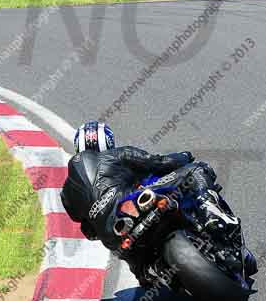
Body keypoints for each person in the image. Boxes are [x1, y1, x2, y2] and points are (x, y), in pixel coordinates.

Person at [61, 121, 230, 288]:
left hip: (117, 239)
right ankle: (210, 214)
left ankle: (151, 270)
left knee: (140, 271)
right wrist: (184, 156)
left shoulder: (67, 192)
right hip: (136, 206)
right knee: (197, 169)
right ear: (109, 142)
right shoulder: (117, 155)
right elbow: (159, 162)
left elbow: (87, 231)